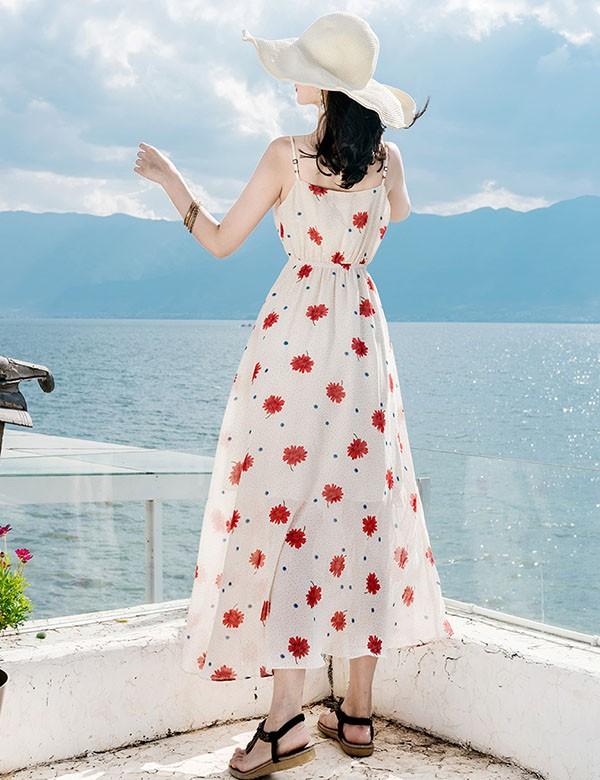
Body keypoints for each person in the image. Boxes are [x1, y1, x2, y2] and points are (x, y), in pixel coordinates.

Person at [134, 11, 455, 780]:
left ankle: (283, 723)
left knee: (286, 513)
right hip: (362, 346)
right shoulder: (387, 160)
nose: (291, 82)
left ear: (324, 87)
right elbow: (400, 215)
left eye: (302, 72)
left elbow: (220, 241)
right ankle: (358, 712)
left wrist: (171, 181)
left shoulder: (287, 154)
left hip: (294, 347)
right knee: (362, 508)